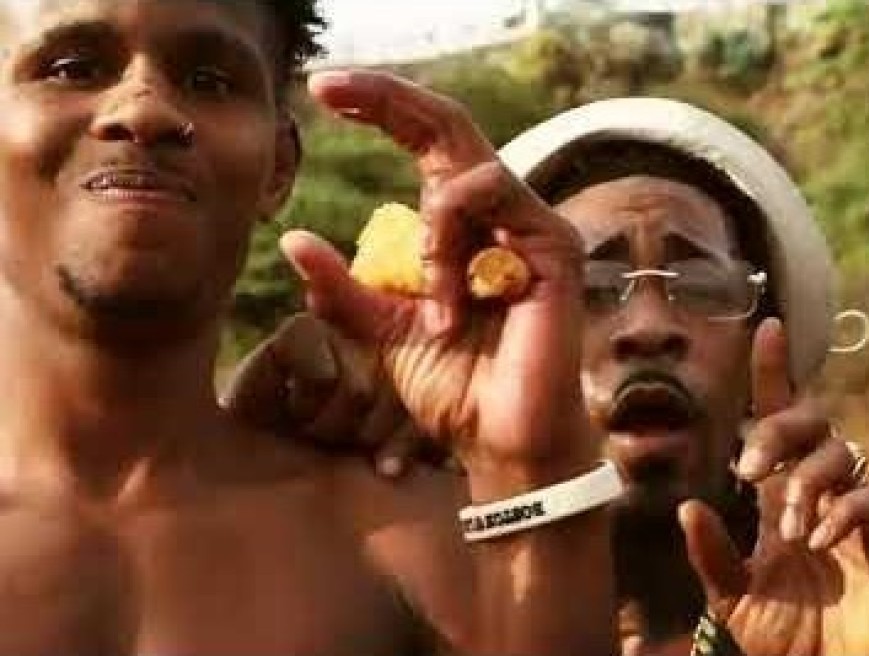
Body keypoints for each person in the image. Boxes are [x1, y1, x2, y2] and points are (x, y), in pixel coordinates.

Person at [0, 1, 622, 654]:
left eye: (210, 81)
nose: (144, 110)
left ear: (279, 166)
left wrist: (531, 467)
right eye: (72, 68)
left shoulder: (405, 536)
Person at [225, 98, 869, 655]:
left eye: (703, 286)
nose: (648, 327)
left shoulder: (845, 594)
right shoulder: (387, 607)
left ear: (764, 351)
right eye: (588, 286)